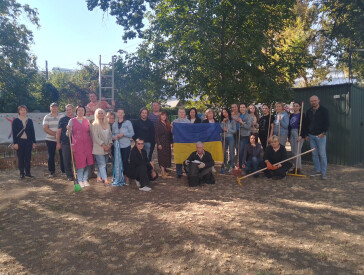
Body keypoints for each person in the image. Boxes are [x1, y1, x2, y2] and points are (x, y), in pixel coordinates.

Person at [67, 106, 94, 188]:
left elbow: (90, 133)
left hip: (87, 145)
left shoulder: (87, 121)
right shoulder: (72, 121)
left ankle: (85, 179)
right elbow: (68, 134)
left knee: (87, 163)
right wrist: (68, 130)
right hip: (78, 145)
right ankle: (80, 180)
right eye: (79, 110)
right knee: (80, 164)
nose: (81, 112)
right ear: (76, 111)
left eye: (82, 110)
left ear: (84, 112)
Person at [305, 95, 329, 180]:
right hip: (311, 136)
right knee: (314, 154)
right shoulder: (308, 111)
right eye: (311, 101)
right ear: (310, 102)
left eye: (315, 100)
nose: (313, 102)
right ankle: (317, 170)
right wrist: (306, 134)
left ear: (318, 100)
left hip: (320, 136)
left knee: (322, 155)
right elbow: (306, 124)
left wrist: (324, 133)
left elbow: (327, 123)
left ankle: (323, 172)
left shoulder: (324, 110)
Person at [12, 105, 36, 179]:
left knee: (28, 158)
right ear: (19, 111)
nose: (23, 111)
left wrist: (34, 142)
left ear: (26, 111)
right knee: (21, 158)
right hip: (19, 142)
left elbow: (32, 132)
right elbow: (14, 133)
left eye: (24, 110)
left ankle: (28, 173)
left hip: (28, 141)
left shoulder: (29, 121)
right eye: (21, 110)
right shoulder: (15, 121)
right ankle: (22, 173)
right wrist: (15, 143)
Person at [91, 108, 113, 185]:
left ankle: (99, 177)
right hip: (99, 148)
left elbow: (110, 135)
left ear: (104, 114)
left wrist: (109, 145)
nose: (100, 115)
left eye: (101, 113)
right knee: (102, 164)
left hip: (107, 147)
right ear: (96, 115)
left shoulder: (107, 124)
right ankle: (105, 180)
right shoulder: (94, 124)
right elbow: (95, 137)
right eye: (99, 113)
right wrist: (103, 146)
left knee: (104, 164)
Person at [112, 108, 134, 182]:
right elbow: (111, 134)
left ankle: (126, 176)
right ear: (117, 114)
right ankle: (118, 176)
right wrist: (113, 137)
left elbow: (132, 133)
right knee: (117, 161)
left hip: (125, 146)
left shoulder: (128, 123)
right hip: (117, 146)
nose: (120, 114)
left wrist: (124, 134)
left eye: (122, 113)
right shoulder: (114, 124)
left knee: (125, 161)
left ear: (124, 114)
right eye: (119, 112)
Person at [43, 102, 65, 177]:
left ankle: (64, 171)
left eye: (56, 107)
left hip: (61, 140)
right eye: (53, 107)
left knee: (63, 155)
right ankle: (52, 171)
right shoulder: (47, 117)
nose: (54, 108)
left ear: (58, 108)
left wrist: (59, 136)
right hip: (50, 140)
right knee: (51, 156)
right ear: (50, 108)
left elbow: (64, 127)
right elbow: (45, 128)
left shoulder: (62, 116)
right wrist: (56, 135)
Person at [56, 104, 75, 181]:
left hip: (76, 142)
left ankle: (77, 173)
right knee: (66, 159)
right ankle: (69, 175)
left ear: (72, 110)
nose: (68, 111)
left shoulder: (77, 118)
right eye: (67, 110)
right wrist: (58, 142)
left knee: (76, 159)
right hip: (65, 142)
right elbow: (59, 132)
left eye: (70, 109)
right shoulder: (62, 119)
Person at [288, 102, 308, 174]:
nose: (295, 107)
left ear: (299, 107)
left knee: (297, 152)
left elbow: (305, 126)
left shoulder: (302, 115)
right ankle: (295, 167)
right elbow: (289, 126)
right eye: (294, 106)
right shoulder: (291, 115)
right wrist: (289, 136)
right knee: (293, 151)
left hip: (298, 133)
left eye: (297, 106)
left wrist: (301, 135)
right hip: (292, 133)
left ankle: (298, 168)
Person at [172, 108, 190, 178]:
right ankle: (179, 172)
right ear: (178, 113)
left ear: (185, 113)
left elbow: (190, 131)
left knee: (186, 156)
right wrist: (172, 127)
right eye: (180, 112)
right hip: (178, 142)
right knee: (178, 156)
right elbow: (172, 132)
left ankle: (187, 171)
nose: (181, 113)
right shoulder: (175, 121)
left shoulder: (188, 121)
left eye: (183, 112)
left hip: (186, 142)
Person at [155, 111, 173, 179]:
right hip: (161, 143)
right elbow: (156, 135)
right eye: (162, 115)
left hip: (167, 143)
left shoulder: (167, 124)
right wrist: (158, 144)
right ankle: (162, 173)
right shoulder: (158, 124)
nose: (164, 116)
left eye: (165, 115)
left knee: (166, 157)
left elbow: (170, 134)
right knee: (162, 157)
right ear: (160, 116)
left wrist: (171, 142)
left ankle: (165, 171)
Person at [220, 108, 236, 172]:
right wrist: (223, 122)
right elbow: (220, 129)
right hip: (223, 137)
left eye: (225, 112)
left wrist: (227, 130)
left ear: (228, 112)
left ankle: (232, 166)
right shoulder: (221, 121)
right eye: (223, 112)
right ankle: (224, 165)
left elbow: (234, 131)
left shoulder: (232, 121)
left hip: (230, 137)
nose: (224, 113)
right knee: (223, 152)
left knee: (231, 152)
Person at [237, 103, 252, 168]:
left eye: (243, 107)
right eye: (241, 107)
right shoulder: (239, 115)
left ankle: (242, 166)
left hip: (245, 136)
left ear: (246, 108)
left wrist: (242, 122)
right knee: (239, 151)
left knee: (242, 151)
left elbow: (248, 127)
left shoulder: (248, 116)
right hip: (238, 135)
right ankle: (240, 165)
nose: (242, 108)